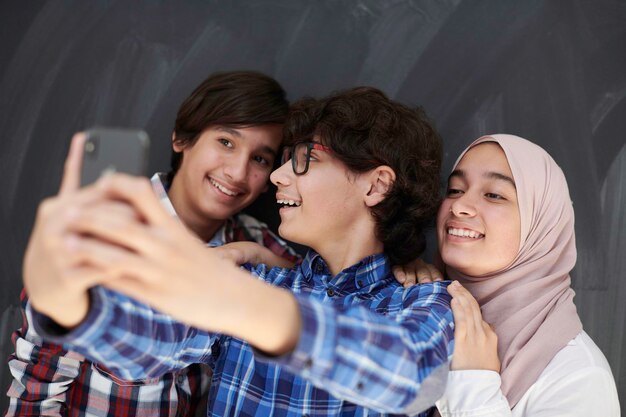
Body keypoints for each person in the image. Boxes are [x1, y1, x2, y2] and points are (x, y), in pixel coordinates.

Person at [23, 87, 455, 416]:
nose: (279, 176)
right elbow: (155, 340)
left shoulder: (427, 302)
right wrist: (69, 304)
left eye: (307, 160)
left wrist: (249, 307)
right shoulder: (257, 277)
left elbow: (412, 374)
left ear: (376, 185)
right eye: (284, 160)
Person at [6, 71, 300, 417]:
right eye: (226, 142)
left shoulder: (254, 241)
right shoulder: (105, 229)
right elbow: (37, 392)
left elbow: (319, 295)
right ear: (182, 138)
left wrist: (251, 254)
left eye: (260, 159)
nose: (237, 172)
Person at [433, 135, 620, 416]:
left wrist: (473, 383)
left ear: (542, 224)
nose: (459, 206)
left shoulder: (579, 378)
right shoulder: (422, 315)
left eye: (493, 195)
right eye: (456, 189)